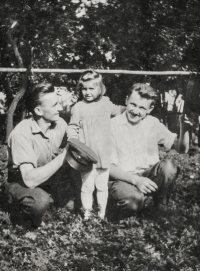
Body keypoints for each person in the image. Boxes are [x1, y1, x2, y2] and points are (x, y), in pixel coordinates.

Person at [3, 82, 81, 228]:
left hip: (48, 181)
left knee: (77, 198)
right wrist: (63, 155)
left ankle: (51, 203)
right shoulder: (22, 134)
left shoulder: (60, 124)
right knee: (39, 202)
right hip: (21, 183)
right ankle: (18, 215)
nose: (60, 108)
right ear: (38, 110)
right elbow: (29, 180)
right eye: (54, 105)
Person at [109, 83, 190, 219]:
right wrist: (136, 181)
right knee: (133, 202)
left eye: (142, 108)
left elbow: (181, 149)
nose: (135, 111)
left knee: (169, 166)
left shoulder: (152, 123)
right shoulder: (112, 125)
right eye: (133, 105)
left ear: (150, 109)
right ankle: (116, 206)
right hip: (122, 178)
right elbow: (108, 167)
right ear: (126, 100)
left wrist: (184, 127)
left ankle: (160, 207)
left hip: (147, 175)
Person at [67, 69, 125, 220]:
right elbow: (72, 127)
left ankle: (101, 213)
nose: (87, 92)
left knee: (102, 185)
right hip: (86, 155)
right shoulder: (78, 107)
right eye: (84, 89)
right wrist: (73, 141)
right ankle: (87, 213)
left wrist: (128, 112)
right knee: (87, 186)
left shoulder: (105, 103)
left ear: (100, 89)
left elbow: (118, 111)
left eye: (91, 88)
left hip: (104, 153)